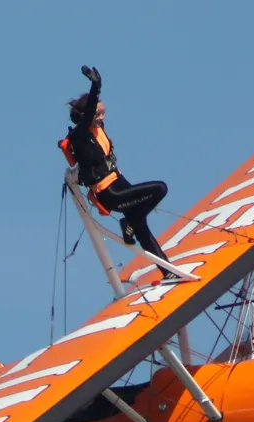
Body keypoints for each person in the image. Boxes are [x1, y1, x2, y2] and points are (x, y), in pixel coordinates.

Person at [60, 65, 177, 280]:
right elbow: (89, 112)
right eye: (99, 112)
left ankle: (168, 272)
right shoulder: (81, 135)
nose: (103, 116)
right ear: (89, 114)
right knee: (160, 189)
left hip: (122, 184)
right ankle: (128, 224)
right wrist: (96, 85)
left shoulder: (98, 128)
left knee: (141, 228)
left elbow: (95, 116)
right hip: (110, 194)